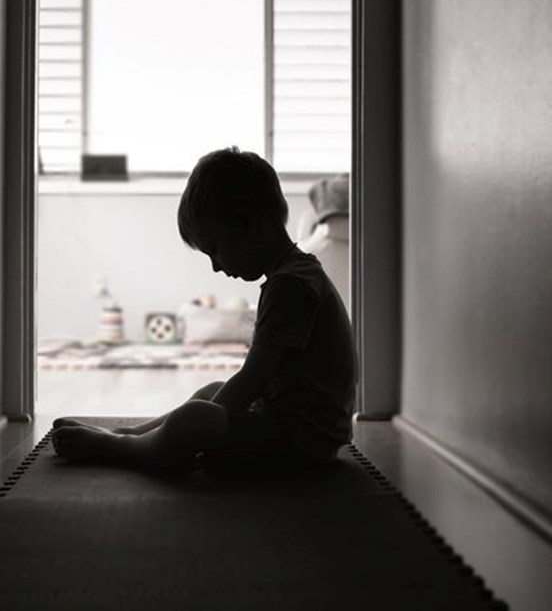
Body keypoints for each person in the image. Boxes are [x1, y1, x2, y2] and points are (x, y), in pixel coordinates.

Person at [51, 147, 357, 476]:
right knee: (209, 393)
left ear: (245, 224)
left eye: (214, 250)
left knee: (195, 417)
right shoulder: (295, 274)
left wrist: (200, 428)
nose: (215, 266)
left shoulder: (291, 286)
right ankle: (133, 434)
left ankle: (124, 448)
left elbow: (254, 379)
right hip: (294, 426)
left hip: (304, 442)